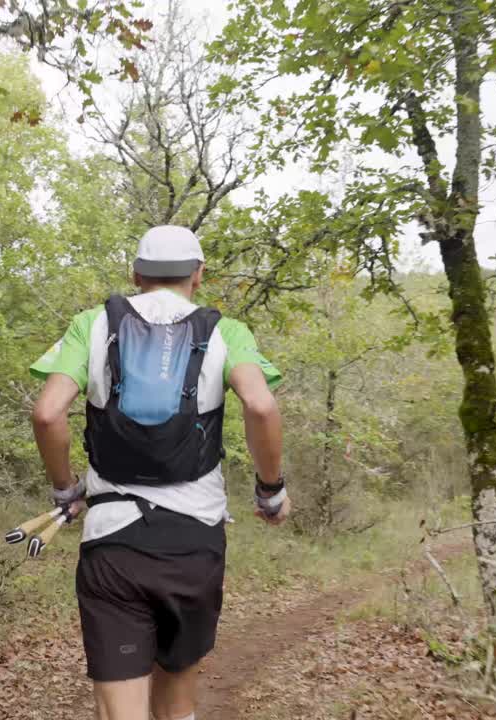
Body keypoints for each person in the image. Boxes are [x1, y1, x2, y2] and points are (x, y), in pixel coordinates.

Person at [28, 225, 289, 720]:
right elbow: (260, 405)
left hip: (113, 545)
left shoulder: (91, 324)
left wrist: (65, 488)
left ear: (135, 274)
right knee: (177, 702)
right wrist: (270, 491)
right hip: (194, 543)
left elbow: (46, 414)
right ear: (199, 274)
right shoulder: (225, 331)